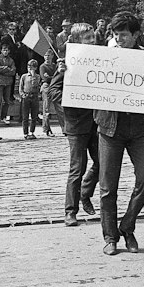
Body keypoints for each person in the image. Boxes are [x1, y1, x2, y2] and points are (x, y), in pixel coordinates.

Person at [95, 11, 144, 256]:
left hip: (139, 128)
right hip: (109, 127)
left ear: (136, 34)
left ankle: (127, 225)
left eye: (124, 35)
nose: (119, 39)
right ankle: (110, 236)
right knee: (107, 187)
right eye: (115, 35)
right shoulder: (105, 56)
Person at [61, 23, 101, 226]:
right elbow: (53, 90)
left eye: (93, 37)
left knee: (103, 162)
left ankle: (85, 193)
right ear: (77, 41)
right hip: (77, 124)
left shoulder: (100, 60)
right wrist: (69, 100)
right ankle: (71, 211)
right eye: (88, 38)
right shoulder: (68, 63)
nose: (92, 41)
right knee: (77, 168)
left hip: (96, 122)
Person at [19, 59, 42, 139]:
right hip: (26, 96)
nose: (29, 69)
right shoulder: (24, 76)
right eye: (28, 67)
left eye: (31, 67)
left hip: (34, 96)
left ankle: (32, 131)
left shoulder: (37, 77)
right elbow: (21, 87)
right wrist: (22, 95)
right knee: (25, 116)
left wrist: (33, 77)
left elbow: (37, 85)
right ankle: (25, 132)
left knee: (34, 116)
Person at [0, 43, 16, 124]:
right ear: (1, 50)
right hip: (0, 82)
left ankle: (3, 117)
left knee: (7, 101)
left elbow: (13, 71)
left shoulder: (11, 60)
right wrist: (6, 68)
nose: (5, 52)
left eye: (7, 50)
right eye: (4, 50)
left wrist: (5, 71)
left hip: (8, 83)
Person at [39, 49, 58, 137]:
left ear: (52, 56)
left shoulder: (54, 66)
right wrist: (53, 77)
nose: (47, 57)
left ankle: (64, 128)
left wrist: (52, 77)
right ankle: (46, 128)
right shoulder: (42, 66)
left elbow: (57, 76)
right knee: (46, 108)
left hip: (54, 86)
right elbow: (45, 78)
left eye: (49, 55)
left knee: (59, 107)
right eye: (45, 55)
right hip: (46, 86)